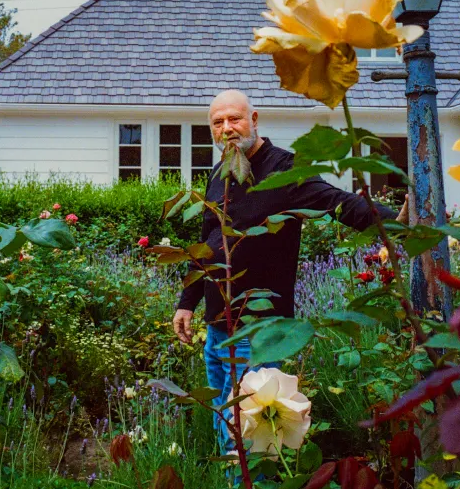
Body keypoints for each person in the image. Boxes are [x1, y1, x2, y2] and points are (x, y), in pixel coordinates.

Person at [172, 89, 407, 436]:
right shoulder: (220, 171)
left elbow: (337, 203)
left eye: (234, 118)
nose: (226, 128)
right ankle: (238, 486)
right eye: (217, 122)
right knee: (225, 419)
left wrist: (397, 227)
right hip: (218, 323)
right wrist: (187, 302)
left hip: (261, 328)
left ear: (253, 119)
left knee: (251, 426)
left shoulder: (286, 169)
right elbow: (208, 240)